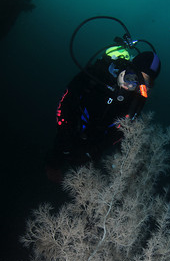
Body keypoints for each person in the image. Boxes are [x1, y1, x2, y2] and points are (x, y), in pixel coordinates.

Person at [46, 48, 161, 182]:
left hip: (97, 141)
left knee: (85, 174)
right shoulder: (97, 74)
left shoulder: (137, 100)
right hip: (72, 124)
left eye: (142, 83)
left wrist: (96, 149)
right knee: (57, 154)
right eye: (131, 77)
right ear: (127, 67)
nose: (131, 86)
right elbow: (66, 100)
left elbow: (124, 130)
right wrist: (63, 129)